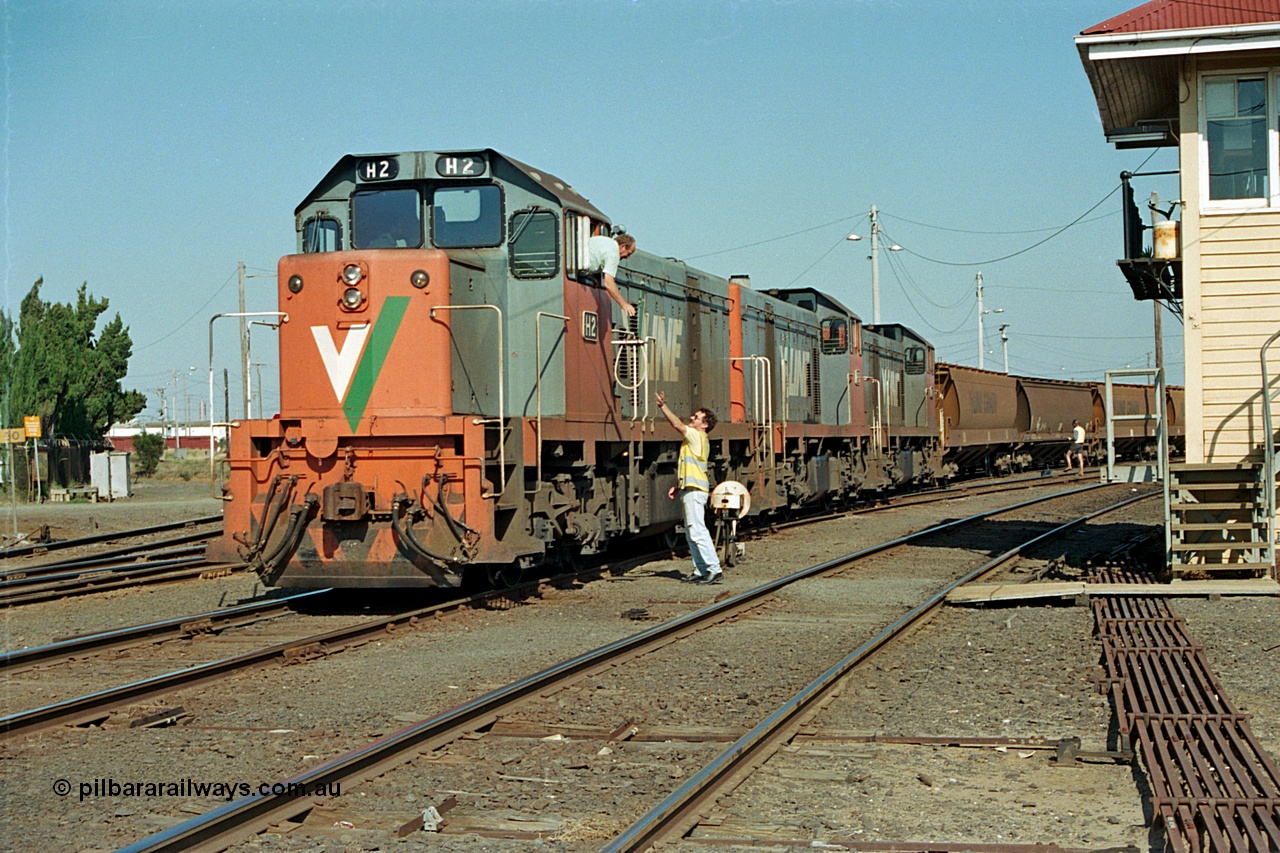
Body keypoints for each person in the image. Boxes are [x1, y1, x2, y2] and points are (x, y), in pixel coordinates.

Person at [655, 391, 721, 584]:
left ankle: (714, 569)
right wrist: (678, 485)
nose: (692, 418)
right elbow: (691, 466)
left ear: (705, 424)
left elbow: (677, 425)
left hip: (695, 491)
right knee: (691, 532)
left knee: (697, 530)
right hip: (689, 488)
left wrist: (662, 406)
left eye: (696, 417)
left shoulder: (697, 436)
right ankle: (701, 570)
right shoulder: (694, 439)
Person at [586, 233, 637, 318]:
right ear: (623, 246)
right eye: (628, 253)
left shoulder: (601, 240)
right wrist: (624, 304)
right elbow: (608, 283)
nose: (627, 257)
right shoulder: (614, 253)